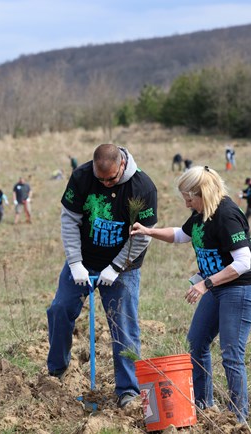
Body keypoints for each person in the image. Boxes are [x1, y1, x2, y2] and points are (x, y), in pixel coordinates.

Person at [130, 166, 251, 422]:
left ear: (203, 192)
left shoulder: (226, 215)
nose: (186, 204)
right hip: (220, 286)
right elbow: (181, 235)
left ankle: (238, 418)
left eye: (189, 198)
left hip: (242, 286)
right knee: (197, 342)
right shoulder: (200, 214)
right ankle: (205, 406)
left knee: (231, 353)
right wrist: (149, 231)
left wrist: (205, 284)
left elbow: (242, 262)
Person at [47, 143, 158, 408]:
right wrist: (74, 263)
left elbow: (142, 234)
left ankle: (128, 391)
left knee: (124, 325)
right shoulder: (82, 177)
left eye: (112, 178)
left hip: (123, 267)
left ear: (122, 164)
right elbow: (69, 219)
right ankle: (56, 372)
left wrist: (117, 267)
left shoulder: (142, 187)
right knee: (59, 309)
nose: (107, 183)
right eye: (101, 179)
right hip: (84, 260)